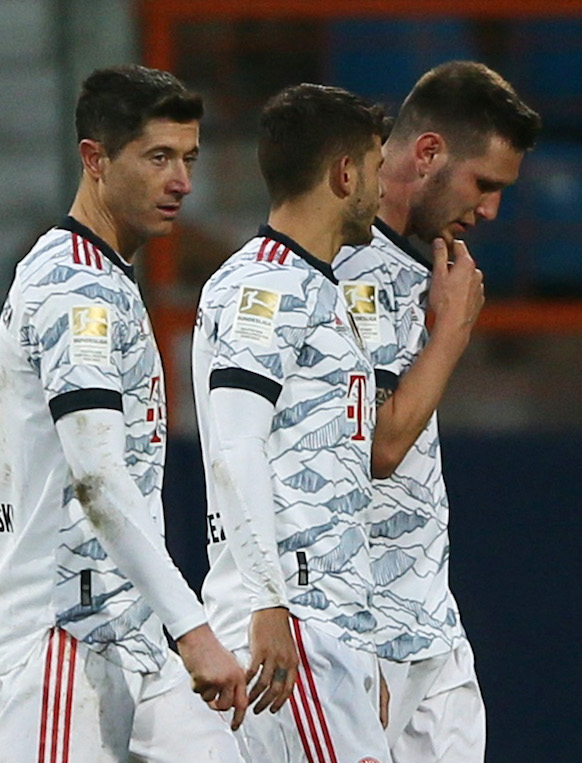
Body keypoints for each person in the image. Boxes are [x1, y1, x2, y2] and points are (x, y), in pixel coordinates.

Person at [0, 64, 247, 763]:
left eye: (188, 158)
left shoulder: (104, 277)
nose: (182, 181)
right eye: (158, 157)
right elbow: (98, 482)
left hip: (123, 635)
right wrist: (193, 629)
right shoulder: (75, 289)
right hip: (62, 641)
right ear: (94, 160)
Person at [333, 60, 542, 762]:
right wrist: (450, 334)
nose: (490, 212)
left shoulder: (428, 268)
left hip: (432, 631)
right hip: (356, 637)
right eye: (484, 185)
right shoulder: (330, 262)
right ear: (427, 153)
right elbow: (374, 448)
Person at [192, 82, 391, 762]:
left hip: (328, 623)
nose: (380, 187)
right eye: (374, 167)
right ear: (343, 174)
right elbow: (235, 443)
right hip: (293, 623)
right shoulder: (265, 289)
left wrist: (364, 645)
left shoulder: (313, 287)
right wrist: (269, 601)